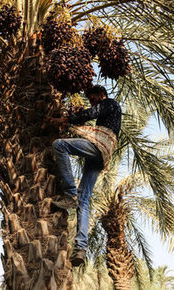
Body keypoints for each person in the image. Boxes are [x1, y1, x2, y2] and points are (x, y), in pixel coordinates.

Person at [47, 85, 121, 267]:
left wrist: (66, 119)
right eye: (90, 99)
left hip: (98, 147)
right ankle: (81, 248)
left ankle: (70, 193)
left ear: (102, 95)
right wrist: (69, 123)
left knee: (59, 145)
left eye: (93, 98)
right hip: (100, 155)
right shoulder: (108, 112)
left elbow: (90, 113)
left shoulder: (110, 103)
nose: (92, 102)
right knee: (84, 199)